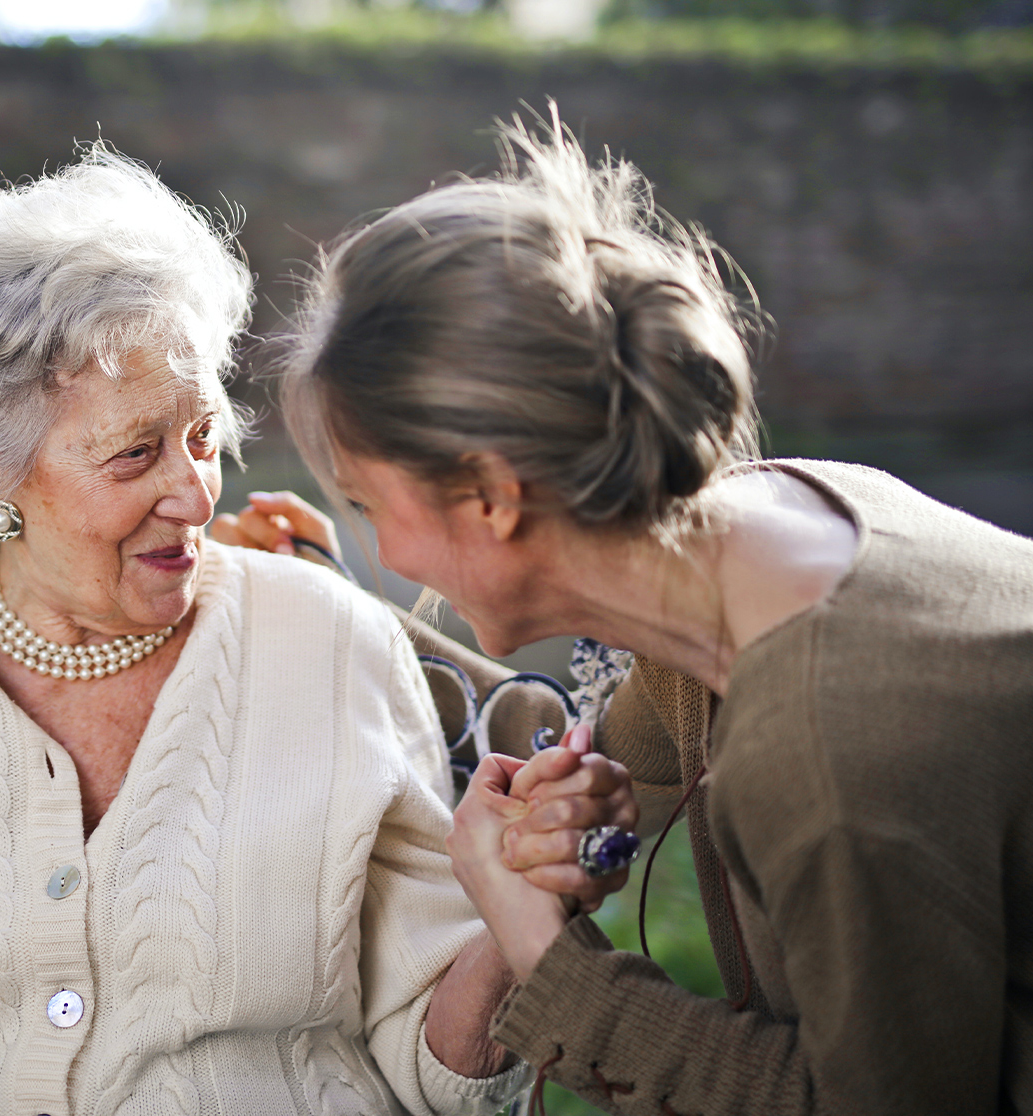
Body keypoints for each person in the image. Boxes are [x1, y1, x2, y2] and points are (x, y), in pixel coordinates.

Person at [0, 146, 549, 1116]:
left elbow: (437, 1076)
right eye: (135, 454)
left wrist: (512, 921)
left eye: (203, 437)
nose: (195, 491)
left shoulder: (334, 645)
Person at [265, 116, 1033, 1115]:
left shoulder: (825, 751)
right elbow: (601, 754)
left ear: (492, 496)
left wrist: (545, 955)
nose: (387, 553)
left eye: (366, 507)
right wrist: (312, 594)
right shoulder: (773, 522)